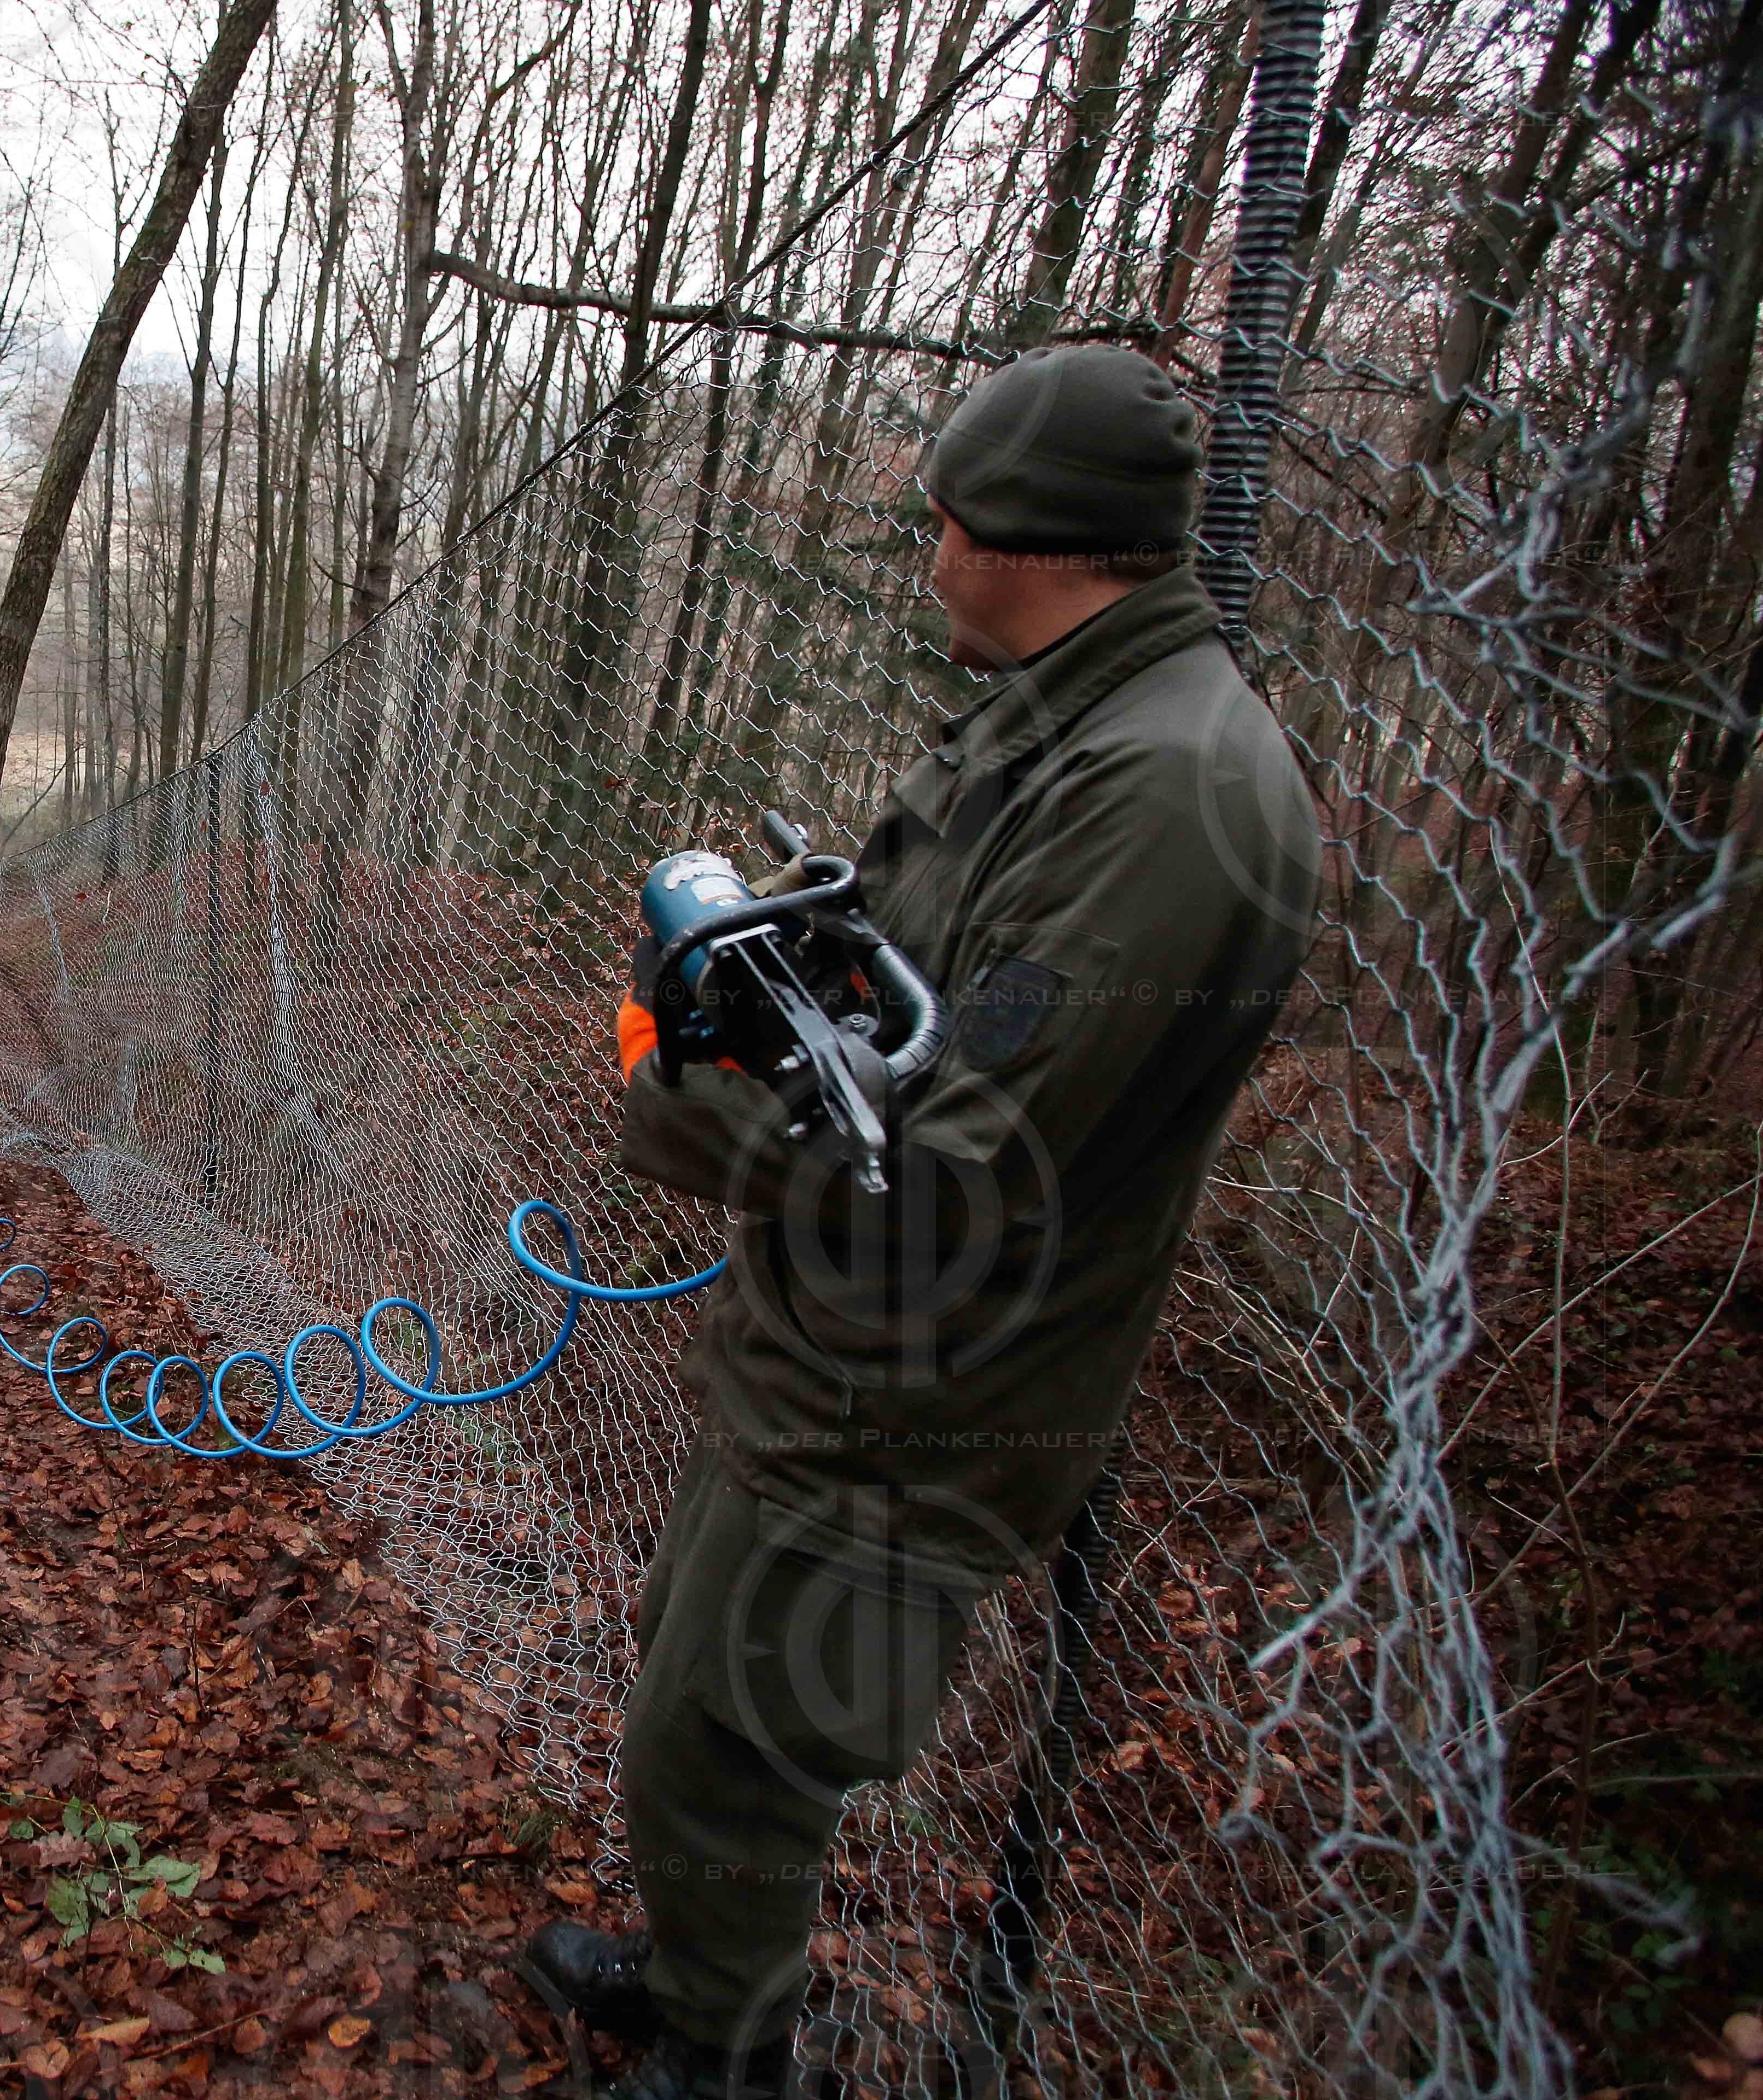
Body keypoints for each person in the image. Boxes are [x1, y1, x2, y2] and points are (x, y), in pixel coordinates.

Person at [521, 345, 1323, 2099]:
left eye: (943, 521)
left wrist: (680, 1083)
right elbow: (917, 984)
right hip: (827, 1346)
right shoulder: (1066, 716)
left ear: (1031, 538)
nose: (928, 553)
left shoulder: (1169, 796)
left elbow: (955, 1164)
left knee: (745, 1740)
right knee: (694, 1706)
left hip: (919, 1392)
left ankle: (729, 2060)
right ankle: (700, 1973)